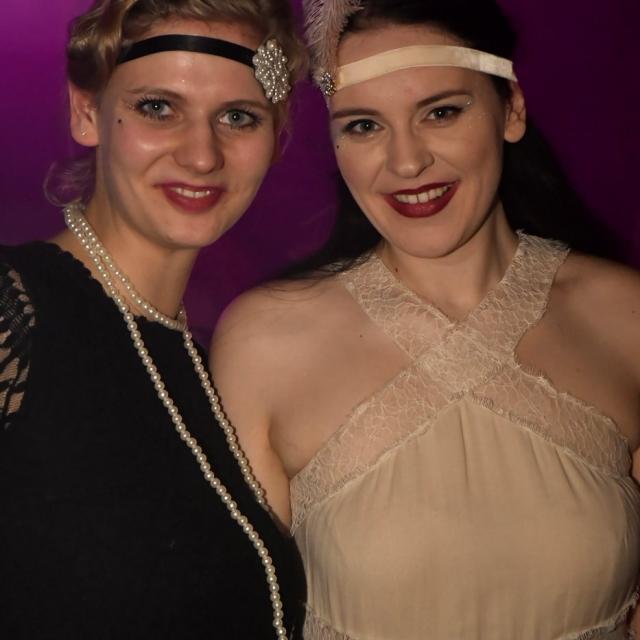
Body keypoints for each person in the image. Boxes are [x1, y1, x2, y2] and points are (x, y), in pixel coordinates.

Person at [210, 0, 640, 638]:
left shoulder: (626, 316)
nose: (406, 162)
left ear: (511, 110)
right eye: (364, 126)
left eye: (441, 112)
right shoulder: (264, 343)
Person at [0, 0, 307, 637]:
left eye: (238, 116)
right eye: (158, 108)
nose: (202, 155)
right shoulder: (13, 308)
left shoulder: (210, 369)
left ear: (275, 139)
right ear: (87, 112)